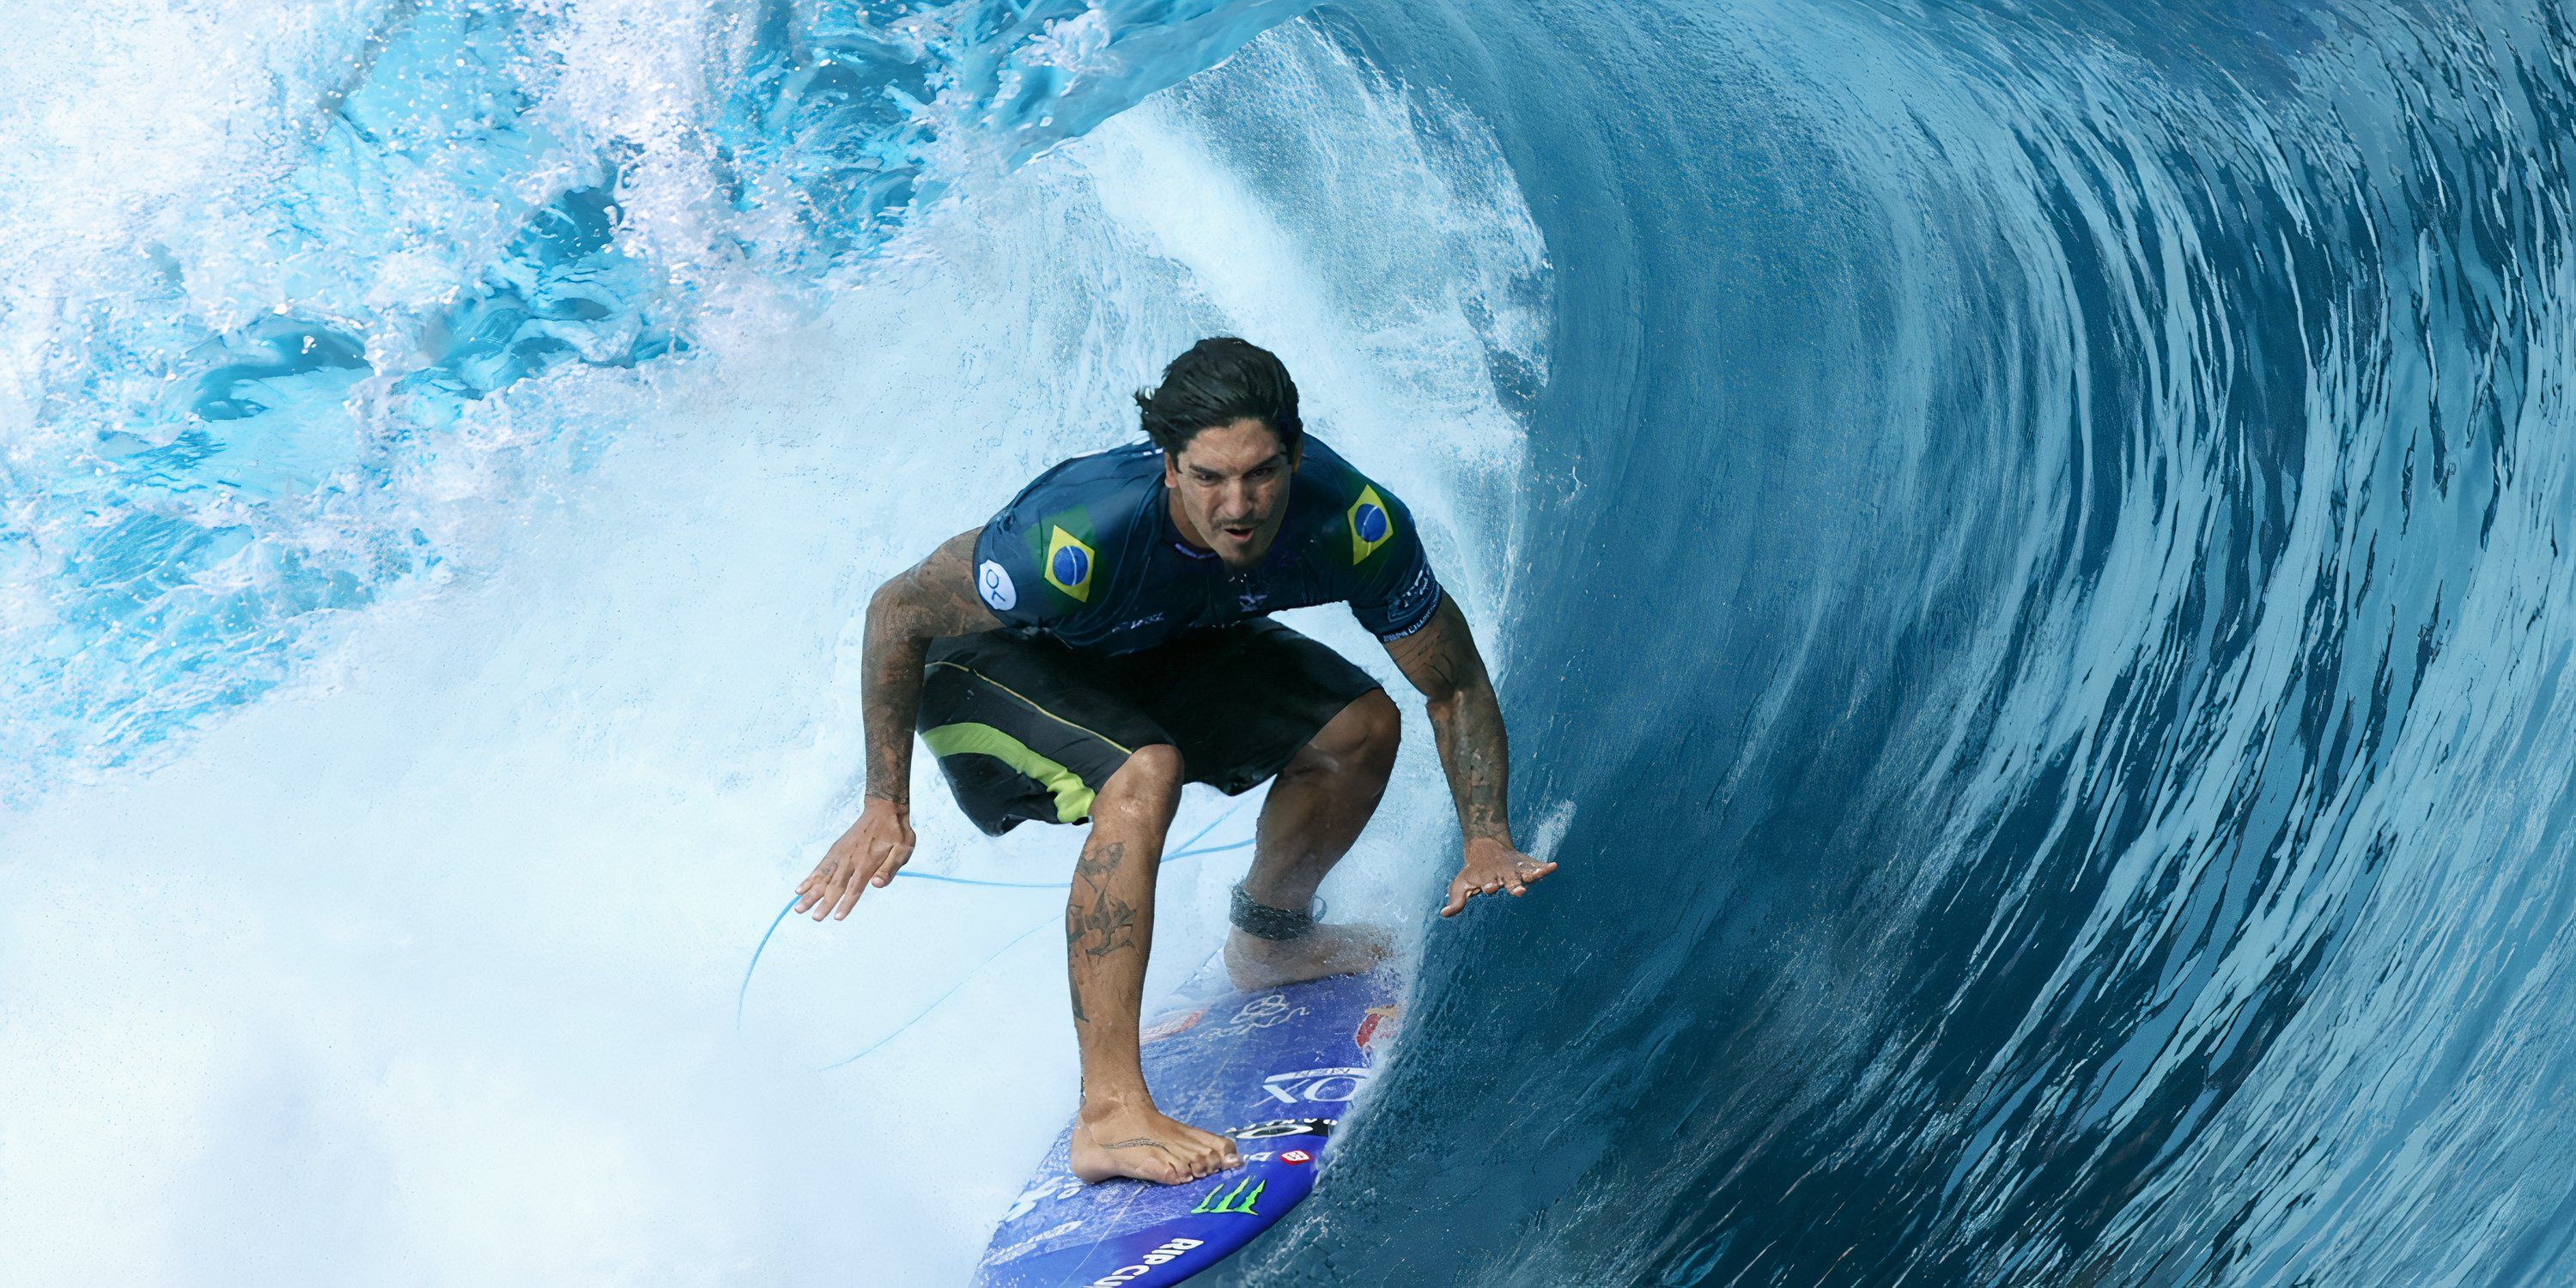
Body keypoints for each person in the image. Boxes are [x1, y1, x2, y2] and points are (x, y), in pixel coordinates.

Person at [792, 337, 1555, 1186]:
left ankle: (1271, 943)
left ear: (1295, 457)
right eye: (1208, 477)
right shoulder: (1069, 540)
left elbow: (1451, 687)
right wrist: (883, 802)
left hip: (1151, 651)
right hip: (983, 674)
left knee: (1361, 728)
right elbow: (897, 612)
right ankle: (1110, 1116)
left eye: (1262, 473)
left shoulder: (1351, 522)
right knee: (1142, 770)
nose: (1239, 505)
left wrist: (1487, 836)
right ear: (1168, 468)